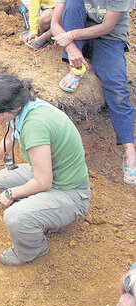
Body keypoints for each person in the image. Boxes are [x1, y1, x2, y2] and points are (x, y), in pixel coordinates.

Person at [0, 74, 91, 266]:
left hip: (70, 192)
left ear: (10, 108)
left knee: (15, 216)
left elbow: (43, 182)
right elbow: (11, 136)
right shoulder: (27, 107)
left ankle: (32, 250)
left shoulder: (34, 126)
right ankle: (38, 208)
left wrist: (11, 193)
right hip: (52, 174)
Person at [50, 0, 136, 185]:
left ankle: (129, 149)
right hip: (77, 39)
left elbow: (106, 27)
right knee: (73, 4)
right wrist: (71, 48)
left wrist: (70, 35)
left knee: (117, 87)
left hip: (109, 39)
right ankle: (76, 69)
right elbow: (55, 24)